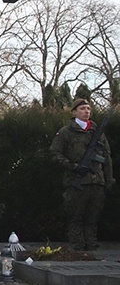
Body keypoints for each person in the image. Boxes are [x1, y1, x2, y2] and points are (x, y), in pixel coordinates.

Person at [49, 98, 115, 251]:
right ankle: (77, 249)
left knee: (93, 218)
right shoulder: (66, 132)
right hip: (76, 182)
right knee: (76, 217)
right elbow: (54, 153)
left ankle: (91, 247)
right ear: (74, 112)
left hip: (97, 182)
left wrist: (108, 180)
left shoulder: (97, 133)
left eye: (88, 109)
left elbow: (107, 158)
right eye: (82, 108)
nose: (86, 111)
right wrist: (73, 166)